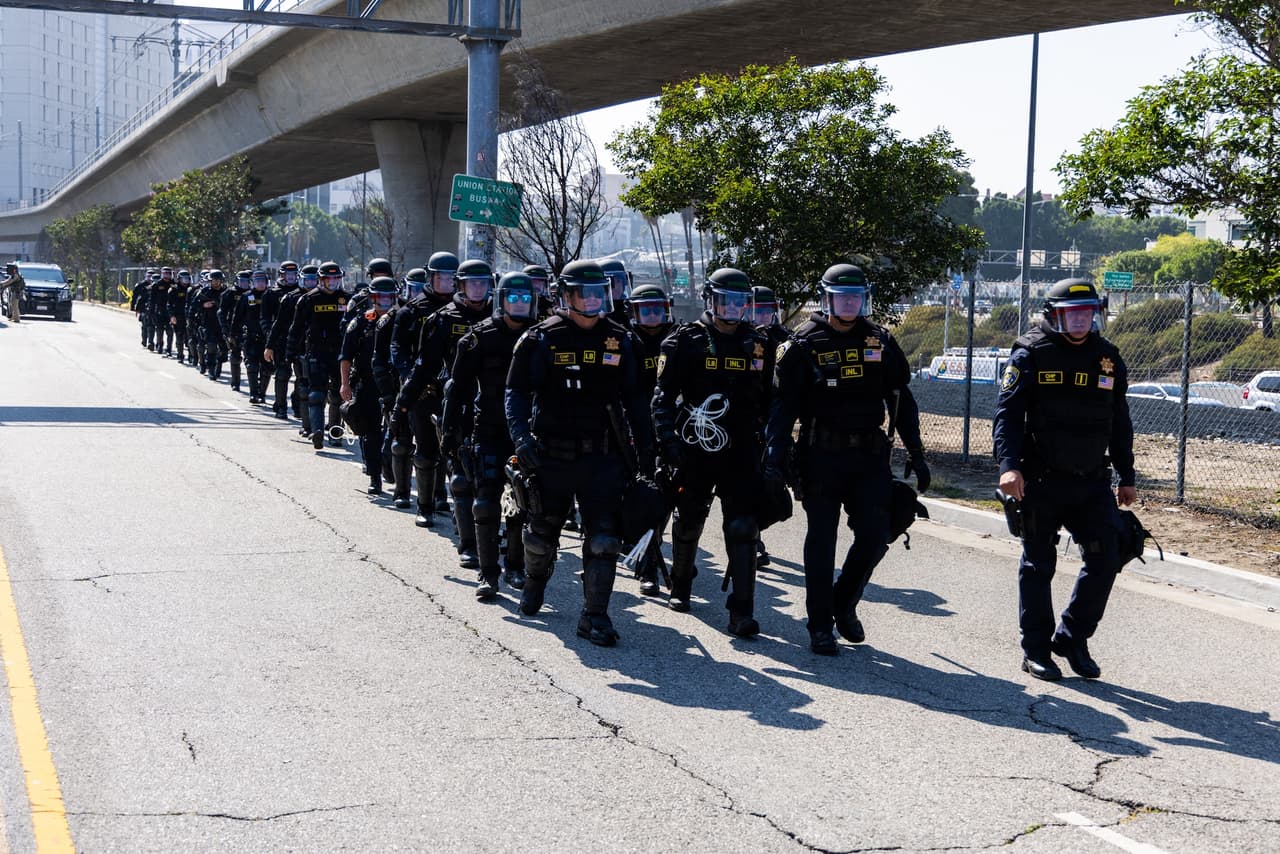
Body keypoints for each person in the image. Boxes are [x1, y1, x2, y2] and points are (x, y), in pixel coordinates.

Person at [765, 263, 929, 655]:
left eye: (856, 298)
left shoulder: (879, 341)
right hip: (820, 456)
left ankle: (843, 601)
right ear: (827, 299)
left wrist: (917, 453)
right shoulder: (803, 344)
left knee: (875, 534)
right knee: (822, 540)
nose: (850, 305)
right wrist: (773, 460)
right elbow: (782, 410)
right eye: (842, 298)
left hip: (869, 457)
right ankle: (820, 625)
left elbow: (902, 400)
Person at [993, 277, 1136, 682]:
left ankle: (1073, 638)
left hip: (1092, 480)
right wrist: (1009, 466)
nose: (1080, 321)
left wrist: (1126, 474)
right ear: (1054, 315)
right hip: (1040, 479)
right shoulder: (1031, 354)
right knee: (1039, 563)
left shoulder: (1107, 357)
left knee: (1109, 554)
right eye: (1072, 314)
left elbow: (1119, 421)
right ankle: (1036, 650)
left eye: (1087, 313)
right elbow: (1007, 416)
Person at [505, 259, 652, 646]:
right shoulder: (540, 339)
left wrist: (649, 457)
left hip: (603, 458)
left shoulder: (621, 340)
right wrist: (521, 438)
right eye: (583, 294)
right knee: (541, 535)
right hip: (550, 456)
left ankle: (595, 616)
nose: (592, 301)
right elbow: (516, 392)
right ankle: (534, 583)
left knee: (604, 539)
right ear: (565, 296)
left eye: (598, 293)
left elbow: (637, 401)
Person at [651, 267, 772, 638]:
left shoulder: (758, 343)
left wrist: (774, 446)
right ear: (710, 300)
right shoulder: (684, 340)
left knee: (743, 527)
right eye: (725, 301)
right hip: (695, 447)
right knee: (689, 520)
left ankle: (742, 611)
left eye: (739, 301)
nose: (732, 308)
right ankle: (680, 584)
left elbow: (772, 400)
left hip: (741, 450)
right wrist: (668, 443)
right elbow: (663, 398)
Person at [442, 271, 538, 599]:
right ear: (501, 300)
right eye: (513, 298)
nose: (519, 304)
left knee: (522, 502)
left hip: (526, 432)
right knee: (485, 503)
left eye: (525, 298)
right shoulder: (479, 338)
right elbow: (457, 389)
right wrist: (450, 432)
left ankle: (515, 567)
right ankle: (488, 573)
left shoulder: (541, 338)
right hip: (487, 429)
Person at [397, 259, 492, 563]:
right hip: (437, 395)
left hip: (482, 402)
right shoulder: (440, 318)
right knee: (428, 452)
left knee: (474, 470)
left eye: (482, 283)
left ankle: (477, 531)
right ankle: (425, 506)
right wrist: (404, 399)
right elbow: (422, 363)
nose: (477, 289)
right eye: (471, 283)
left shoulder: (497, 316)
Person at [391, 252, 459, 524]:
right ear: (431, 278)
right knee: (424, 447)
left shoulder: (463, 311)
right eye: (442, 278)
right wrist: (409, 375)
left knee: (453, 448)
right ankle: (424, 505)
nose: (447, 283)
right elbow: (397, 347)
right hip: (421, 386)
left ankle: (447, 500)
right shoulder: (412, 310)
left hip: (454, 389)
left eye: (452, 279)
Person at [626, 282, 676, 596]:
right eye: (646, 310)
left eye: (658, 309)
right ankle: (646, 564)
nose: (653, 316)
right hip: (636, 430)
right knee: (642, 498)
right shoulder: (626, 341)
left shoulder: (677, 340)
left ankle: (659, 560)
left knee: (667, 498)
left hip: (670, 430)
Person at [340, 276, 399, 494]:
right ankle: (375, 477)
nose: (384, 302)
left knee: (395, 432)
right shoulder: (361, 322)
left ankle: (390, 468)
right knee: (370, 432)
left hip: (395, 385)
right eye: (379, 298)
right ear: (372, 298)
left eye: (388, 298)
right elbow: (346, 356)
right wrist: (345, 384)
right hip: (367, 384)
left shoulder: (401, 320)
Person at [288, 261, 350, 450]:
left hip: (340, 354)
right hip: (316, 352)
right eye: (328, 279)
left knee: (338, 395)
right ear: (320, 280)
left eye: (336, 278)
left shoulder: (347, 299)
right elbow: (296, 328)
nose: (332, 282)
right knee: (316, 394)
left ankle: (336, 434)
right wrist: (291, 352)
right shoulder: (308, 300)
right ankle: (317, 432)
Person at [751, 284, 788, 569]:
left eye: (767, 310)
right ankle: (752, 540)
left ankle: (754, 532)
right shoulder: (740, 338)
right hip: (742, 421)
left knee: (773, 484)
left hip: (774, 421)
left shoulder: (785, 340)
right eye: (757, 310)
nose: (762, 316)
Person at [267, 264, 319, 434]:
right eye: (307, 280)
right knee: (282, 374)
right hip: (286, 342)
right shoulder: (290, 298)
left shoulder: (321, 298)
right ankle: (281, 406)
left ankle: (299, 408)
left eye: (314, 280)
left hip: (309, 345)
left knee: (303, 380)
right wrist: (269, 346)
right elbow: (278, 323)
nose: (311, 283)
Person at [262, 262, 301, 419]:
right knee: (282, 373)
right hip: (280, 339)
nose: (291, 278)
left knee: (302, 376)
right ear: (281, 275)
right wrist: (269, 338)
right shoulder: (271, 294)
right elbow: (266, 318)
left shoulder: (303, 294)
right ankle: (281, 406)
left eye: (294, 274)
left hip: (300, 340)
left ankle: (298, 405)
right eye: (288, 274)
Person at [232, 270, 271, 403]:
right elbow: (237, 317)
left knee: (266, 368)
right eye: (257, 281)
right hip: (250, 337)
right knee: (252, 366)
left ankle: (262, 393)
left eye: (262, 281)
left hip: (267, 338)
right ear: (252, 282)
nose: (260, 284)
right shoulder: (247, 296)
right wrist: (233, 335)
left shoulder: (271, 296)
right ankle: (253, 393)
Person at [194, 269, 229, 380]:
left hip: (223, 324)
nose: (216, 283)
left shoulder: (227, 292)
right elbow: (194, 306)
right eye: (213, 280)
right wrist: (203, 305)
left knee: (224, 350)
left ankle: (218, 365)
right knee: (211, 346)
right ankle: (211, 370)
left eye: (218, 280)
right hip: (208, 323)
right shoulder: (204, 292)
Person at [167, 270, 193, 364]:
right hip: (178, 316)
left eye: (187, 279)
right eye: (184, 279)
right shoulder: (174, 290)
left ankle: (191, 356)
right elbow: (169, 304)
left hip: (189, 317)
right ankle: (180, 355)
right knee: (179, 336)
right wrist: (172, 316)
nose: (186, 281)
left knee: (189, 337)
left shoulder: (191, 289)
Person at [151, 267, 175, 355]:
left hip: (170, 311)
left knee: (170, 331)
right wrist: (152, 312)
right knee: (159, 330)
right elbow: (152, 300)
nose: (167, 275)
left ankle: (169, 349)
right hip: (160, 310)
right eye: (165, 273)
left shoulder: (174, 284)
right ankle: (160, 345)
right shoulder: (157, 284)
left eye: (169, 273)